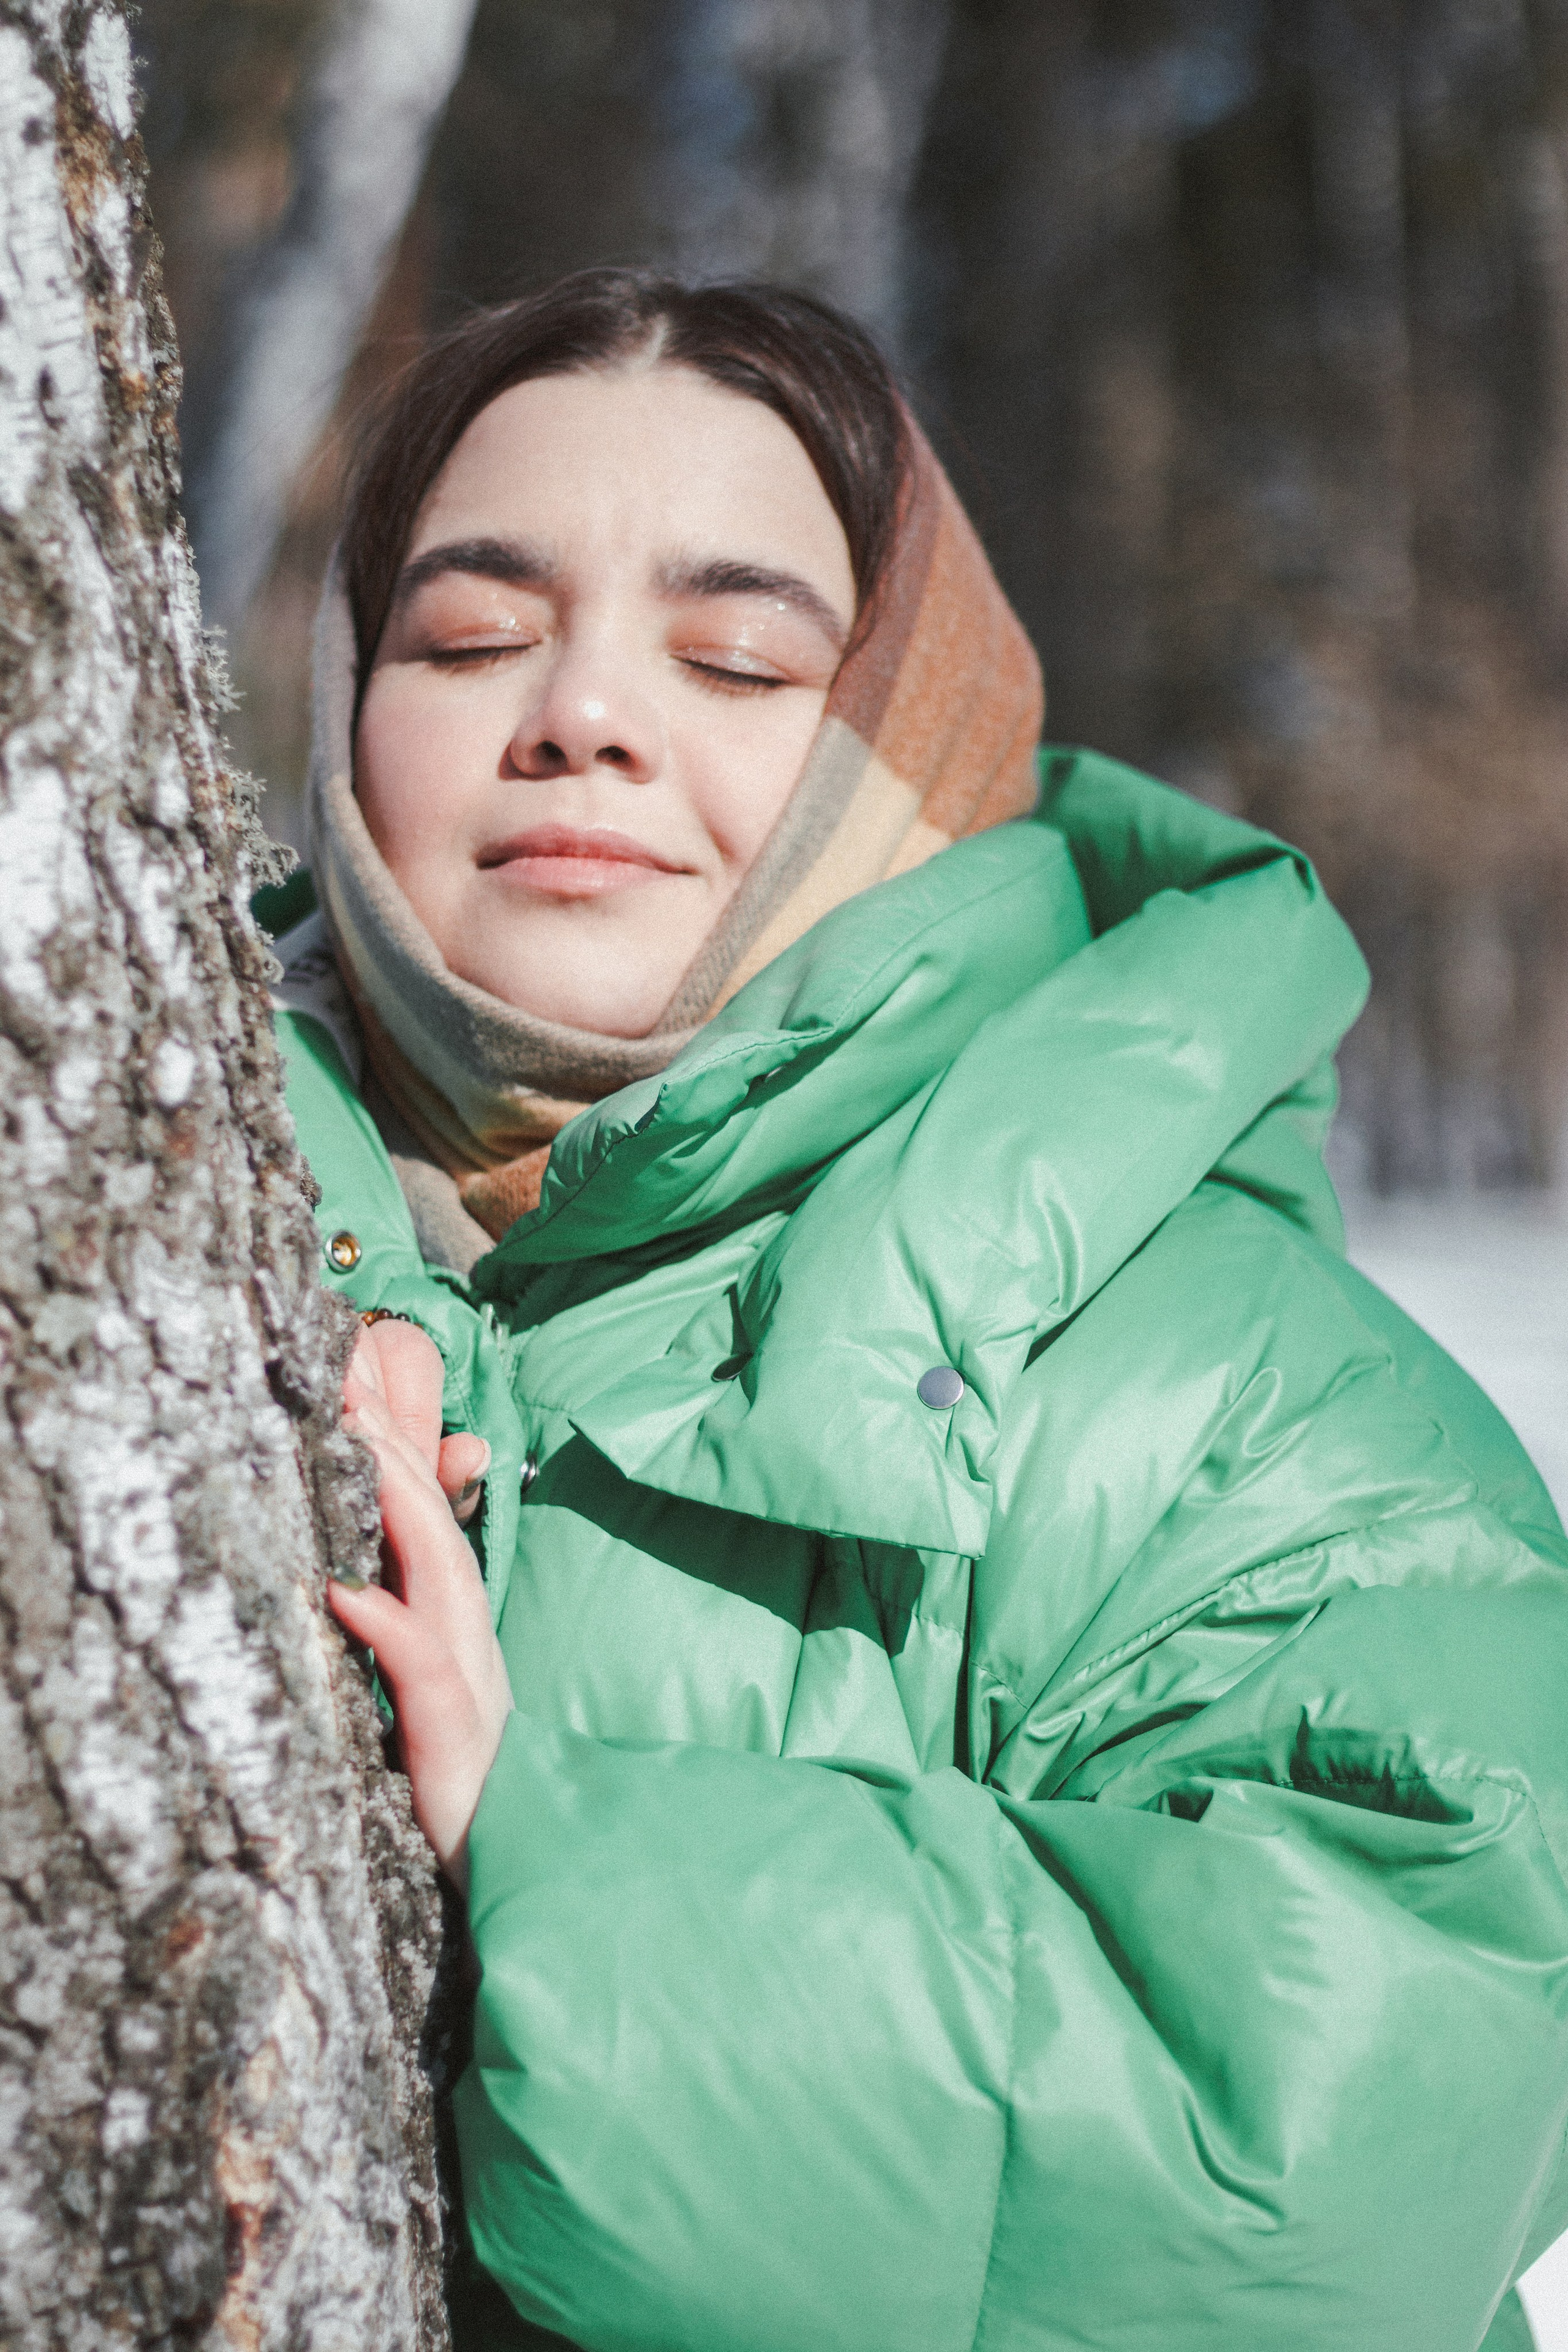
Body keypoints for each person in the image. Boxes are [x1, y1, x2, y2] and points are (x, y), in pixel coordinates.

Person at [257, 268, 1568, 2352]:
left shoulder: (1231, 1381)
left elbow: (1369, 2117)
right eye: (472, 633)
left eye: (737, 658)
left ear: (916, 758)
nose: (581, 711)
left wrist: (578, 1883)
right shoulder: (158, 1274)